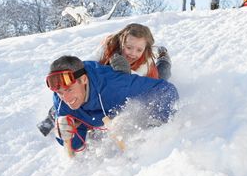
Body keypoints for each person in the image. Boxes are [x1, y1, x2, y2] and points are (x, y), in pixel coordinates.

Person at [37, 23, 172, 136]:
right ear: (121, 42)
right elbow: (86, 66)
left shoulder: (146, 64)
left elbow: (136, 90)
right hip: (102, 80)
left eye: (138, 50)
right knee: (72, 88)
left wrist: (126, 74)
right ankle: (52, 116)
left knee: (163, 75)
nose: (132, 53)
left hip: (137, 80)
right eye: (129, 47)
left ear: (145, 50)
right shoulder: (109, 47)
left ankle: (163, 56)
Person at [45, 55, 179, 157]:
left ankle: (163, 59)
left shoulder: (115, 86)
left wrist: (155, 124)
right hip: (97, 112)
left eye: (69, 90)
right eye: (60, 92)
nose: (66, 98)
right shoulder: (60, 100)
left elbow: (166, 89)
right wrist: (63, 134)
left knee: (158, 75)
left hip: (123, 82)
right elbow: (75, 146)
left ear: (83, 80)